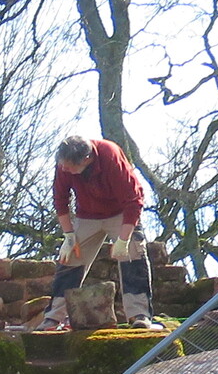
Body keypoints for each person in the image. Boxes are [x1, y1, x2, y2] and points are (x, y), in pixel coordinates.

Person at [45, 134, 146, 326]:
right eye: (62, 165)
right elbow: (60, 200)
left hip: (120, 213)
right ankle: (54, 317)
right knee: (69, 259)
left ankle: (139, 315)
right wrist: (69, 236)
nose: (64, 169)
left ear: (86, 159)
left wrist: (123, 240)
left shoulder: (110, 155)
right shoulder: (64, 164)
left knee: (133, 255)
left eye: (69, 166)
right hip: (87, 215)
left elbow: (134, 201)